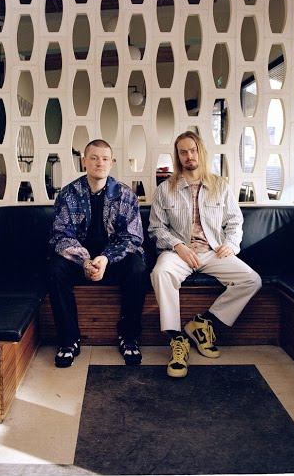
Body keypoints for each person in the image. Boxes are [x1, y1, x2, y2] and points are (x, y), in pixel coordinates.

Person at [149, 131, 263, 378]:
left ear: (200, 152)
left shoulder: (219, 186)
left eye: (193, 150)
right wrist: (178, 246)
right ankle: (177, 338)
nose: (189, 156)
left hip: (213, 251)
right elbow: (156, 228)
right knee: (160, 272)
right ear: (178, 156)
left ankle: (203, 322)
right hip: (178, 252)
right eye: (183, 152)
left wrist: (231, 244)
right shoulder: (165, 189)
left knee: (252, 280)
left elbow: (235, 221)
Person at [47, 139, 149, 368]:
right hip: (77, 260)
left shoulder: (125, 195)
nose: (99, 163)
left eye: (104, 159)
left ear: (111, 163)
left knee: (138, 268)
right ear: (84, 161)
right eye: (93, 158)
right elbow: (60, 235)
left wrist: (105, 259)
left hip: (112, 259)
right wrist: (85, 260)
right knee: (54, 269)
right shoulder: (68, 194)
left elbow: (132, 237)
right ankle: (69, 340)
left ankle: (129, 337)